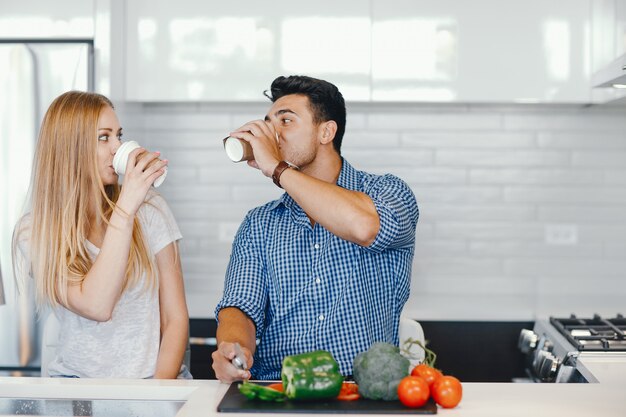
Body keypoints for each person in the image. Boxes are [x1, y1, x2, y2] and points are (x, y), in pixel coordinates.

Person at [213, 75, 419, 382]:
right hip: (279, 390)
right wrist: (233, 348)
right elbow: (240, 305)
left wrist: (277, 169)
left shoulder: (387, 192)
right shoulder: (259, 223)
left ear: (326, 131)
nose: (272, 134)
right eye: (269, 122)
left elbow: (365, 228)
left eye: (286, 121)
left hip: (361, 392)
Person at [12, 91, 190, 379]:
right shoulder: (33, 231)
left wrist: (157, 395)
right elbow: (96, 305)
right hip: (77, 391)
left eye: (119, 135)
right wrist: (126, 207)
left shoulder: (150, 209)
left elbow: (175, 318)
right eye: (103, 137)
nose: (118, 148)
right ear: (70, 148)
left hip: (150, 388)